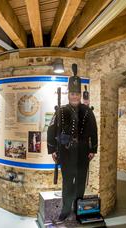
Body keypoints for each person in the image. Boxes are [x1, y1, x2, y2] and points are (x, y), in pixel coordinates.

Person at [47, 72, 98, 223]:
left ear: (80, 95)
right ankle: (65, 209)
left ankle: (78, 209)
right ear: (68, 94)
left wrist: (93, 149)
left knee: (80, 182)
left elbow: (94, 131)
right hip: (66, 152)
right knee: (67, 182)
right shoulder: (61, 111)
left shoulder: (88, 111)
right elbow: (51, 130)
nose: (74, 97)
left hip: (82, 153)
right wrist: (53, 149)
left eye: (77, 94)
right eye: (72, 94)